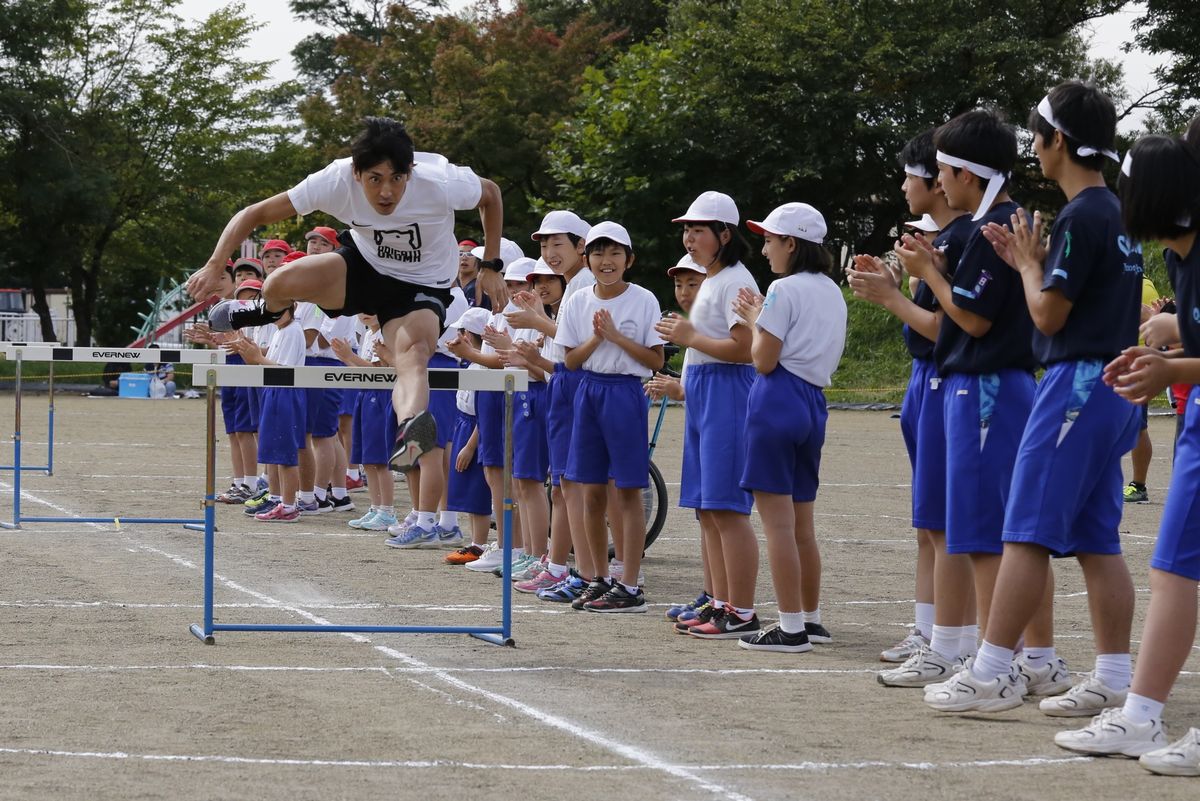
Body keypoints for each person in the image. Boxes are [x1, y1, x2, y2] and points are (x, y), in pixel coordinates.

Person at [185, 116, 507, 478]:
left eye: (396, 180)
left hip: (421, 286)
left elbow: (491, 194)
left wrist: (491, 265)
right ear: (356, 173)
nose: (386, 193)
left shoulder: (441, 180)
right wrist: (215, 265)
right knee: (279, 282)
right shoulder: (334, 180)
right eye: (375, 180)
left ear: (410, 171)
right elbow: (254, 213)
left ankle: (412, 433)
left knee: (413, 354)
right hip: (364, 268)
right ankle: (265, 311)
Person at [893, 110, 1053, 707]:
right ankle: (1029, 657)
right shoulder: (1000, 222)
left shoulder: (992, 227)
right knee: (999, 531)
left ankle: (996, 663)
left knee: (986, 534)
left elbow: (971, 318)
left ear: (963, 174)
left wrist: (925, 277)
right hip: (989, 386)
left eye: (943, 171)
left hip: (986, 386)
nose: (939, 182)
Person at [1059, 118, 1200, 775]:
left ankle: (1141, 714)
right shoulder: (1181, 254)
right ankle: (1140, 710)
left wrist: (1173, 369)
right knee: (1174, 568)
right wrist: (1167, 334)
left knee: (1174, 567)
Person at [847, 129, 977, 674]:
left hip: (950, 379)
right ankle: (929, 630)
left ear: (941, 181)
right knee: (929, 522)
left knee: (948, 524)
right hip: (926, 380)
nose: (903, 186)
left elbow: (948, 329)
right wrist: (892, 284)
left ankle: (952, 640)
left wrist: (893, 296)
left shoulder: (965, 237)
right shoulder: (941, 240)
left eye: (911, 175)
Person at [732, 202, 846, 652]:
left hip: (777, 399)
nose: (765, 249)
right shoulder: (832, 291)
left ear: (791, 244)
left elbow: (763, 359)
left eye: (771, 240)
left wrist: (753, 318)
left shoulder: (782, 289)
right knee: (802, 525)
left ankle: (791, 627)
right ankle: (811, 620)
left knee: (777, 527)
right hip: (813, 402)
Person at [657, 191, 762, 641]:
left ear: (725, 234)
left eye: (698, 229)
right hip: (705, 390)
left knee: (727, 508)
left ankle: (740, 610)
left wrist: (688, 336)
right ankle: (720, 602)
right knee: (708, 508)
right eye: (686, 228)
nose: (689, 237)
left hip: (728, 390)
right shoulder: (715, 278)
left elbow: (745, 350)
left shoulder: (738, 281)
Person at [554, 221, 664, 613]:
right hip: (587, 390)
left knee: (627, 488)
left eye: (616, 253)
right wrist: (597, 339)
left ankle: (630, 584)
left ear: (629, 260)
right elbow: (568, 359)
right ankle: (598, 578)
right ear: (587, 259)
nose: (607, 261)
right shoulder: (579, 299)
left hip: (625, 394)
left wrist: (616, 337)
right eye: (599, 253)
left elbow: (655, 360)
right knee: (590, 489)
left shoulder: (644, 299)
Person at [224, 303, 307, 522]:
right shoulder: (281, 331)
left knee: (286, 452)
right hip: (273, 390)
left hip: (285, 392)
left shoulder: (292, 331)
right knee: (275, 451)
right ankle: (279, 498)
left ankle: (289, 506)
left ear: (291, 305)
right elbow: (264, 364)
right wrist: (250, 352)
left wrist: (257, 357)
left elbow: (285, 370)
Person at [333, 314, 399, 531]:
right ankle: (376, 506)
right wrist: (346, 359)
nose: (365, 313)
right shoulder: (368, 334)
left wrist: (349, 355)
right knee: (368, 457)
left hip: (381, 396)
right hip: (365, 394)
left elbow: (379, 370)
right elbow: (362, 371)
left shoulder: (386, 333)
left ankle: (387, 510)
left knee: (381, 458)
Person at [1123, 275, 1161, 503]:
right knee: (1136, 425)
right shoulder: (1129, 279)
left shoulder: (1140, 284)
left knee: (1138, 426)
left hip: (1135, 362)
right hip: (1127, 359)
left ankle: (1139, 485)